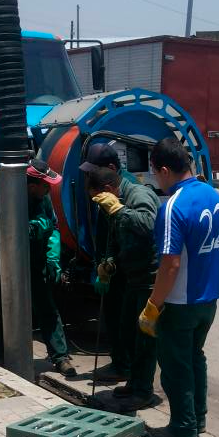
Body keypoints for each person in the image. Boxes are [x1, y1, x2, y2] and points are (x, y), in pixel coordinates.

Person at [139, 137, 219, 437]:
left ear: (163, 169)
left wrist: (153, 306)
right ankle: (197, 418)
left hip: (180, 302)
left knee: (175, 366)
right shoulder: (213, 195)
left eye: (154, 173)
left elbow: (170, 264)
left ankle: (182, 428)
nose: (155, 179)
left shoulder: (172, 207)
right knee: (195, 357)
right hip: (208, 298)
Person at [0, 159, 76, 377]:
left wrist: (53, 258)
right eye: (45, 185)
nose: (49, 189)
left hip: (35, 259)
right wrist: (38, 226)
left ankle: (60, 356)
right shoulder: (6, 198)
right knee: (1, 306)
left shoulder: (42, 197)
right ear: (31, 184)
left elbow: (53, 226)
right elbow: (15, 233)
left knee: (46, 306)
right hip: (3, 260)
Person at [86, 165, 159, 410]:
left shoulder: (138, 195)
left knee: (144, 338)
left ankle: (143, 391)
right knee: (128, 332)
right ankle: (135, 382)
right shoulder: (113, 201)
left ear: (107, 190)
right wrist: (109, 264)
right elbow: (118, 240)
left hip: (149, 279)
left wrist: (119, 210)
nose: (98, 204)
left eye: (98, 198)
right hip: (131, 277)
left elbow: (149, 225)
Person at [80, 142, 141, 385]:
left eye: (95, 170)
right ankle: (120, 362)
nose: (90, 176)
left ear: (112, 168)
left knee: (123, 320)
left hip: (125, 268)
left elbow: (133, 232)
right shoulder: (105, 190)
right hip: (111, 264)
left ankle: (125, 367)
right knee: (113, 317)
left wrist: (113, 261)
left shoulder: (128, 192)